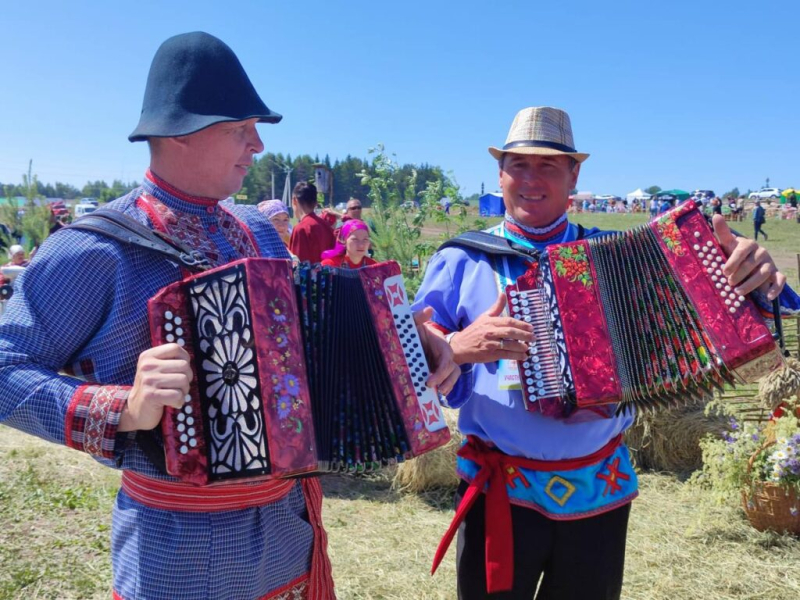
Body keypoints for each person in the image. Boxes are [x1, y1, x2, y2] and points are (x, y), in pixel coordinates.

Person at [0, 32, 459, 600]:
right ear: (180, 131)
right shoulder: (94, 249)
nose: (259, 145)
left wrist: (411, 338)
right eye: (241, 128)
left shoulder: (256, 228)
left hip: (290, 530)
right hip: (181, 547)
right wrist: (124, 407)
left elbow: (313, 326)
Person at [414, 106, 795, 600]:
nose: (531, 179)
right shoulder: (460, 259)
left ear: (575, 175)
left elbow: (721, 316)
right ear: (500, 174)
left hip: (599, 492)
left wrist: (755, 279)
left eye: (549, 165)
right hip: (498, 493)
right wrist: (458, 348)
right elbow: (407, 368)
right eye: (518, 165)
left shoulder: (622, 257)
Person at [289, 181, 336, 263]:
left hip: (308, 275)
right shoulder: (326, 226)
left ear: (294, 201)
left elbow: (297, 266)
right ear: (315, 203)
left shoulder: (300, 229)